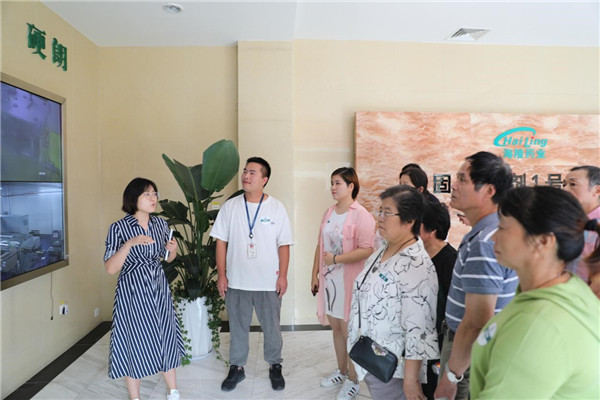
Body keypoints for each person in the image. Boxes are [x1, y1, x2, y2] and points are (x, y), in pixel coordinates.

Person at [470, 186, 600, 399]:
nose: (494, 237)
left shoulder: (538, 325)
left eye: (502, 228)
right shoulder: (567, 287)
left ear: (543, 241)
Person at [433, 151, 517, 400]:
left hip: (469, 353)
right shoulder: (494, 229)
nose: (454, 185)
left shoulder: (485, 242)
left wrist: (452, 375)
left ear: (489, 191)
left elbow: (477, 321)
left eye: (462, 179)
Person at [348, 185, 439, 400]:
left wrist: (411, 379)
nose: (380, 217)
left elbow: (419, 329)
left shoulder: (417, 265)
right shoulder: (385, 248)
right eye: (380, 211)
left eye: (387, 213)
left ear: (409, 221)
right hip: (371, 357)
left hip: (393, 369)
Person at [210, 157, 293, 392]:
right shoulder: (231, 207)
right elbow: (221, 242)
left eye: (252, 172)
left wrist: (283, 276)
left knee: (272, 328)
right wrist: (222, 275)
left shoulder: (276, 208)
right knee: (237, 328)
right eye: (245, 171)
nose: (246, 176)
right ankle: (237, 368)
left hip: (268, 282)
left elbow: (284, 245)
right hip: (237, 281)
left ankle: (275, 365)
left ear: (264, 179)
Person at [104, 177, 183, 400]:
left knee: (164, 333)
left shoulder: (160, 224)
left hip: (158, 287)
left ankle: (173, 390)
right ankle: (135, 397)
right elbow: (110, 268)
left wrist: (173, 249)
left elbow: (167, 258)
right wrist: (129, 244)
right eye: (147, 194)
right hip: (133, 290)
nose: (153, 198)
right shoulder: (118, 228)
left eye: (155, 193)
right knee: (134, 338)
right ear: (133, 198)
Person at [311, 167, 376, 400]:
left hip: (350, 282)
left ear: (351, 186)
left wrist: (337, 259)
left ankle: (353, 379)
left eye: (338, 183)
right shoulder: (329, 212)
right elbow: (320, 245)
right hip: (330, 282)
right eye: (332, 183)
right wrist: (314, 274)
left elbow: (367, 249)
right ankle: (341, 371)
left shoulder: (361, 215)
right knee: (337, 328)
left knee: (350, 332)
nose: (333, 187)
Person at [419, 201, 457, 400]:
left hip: (440, 339)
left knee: (434, 387)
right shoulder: (419, 255)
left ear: (432, 230)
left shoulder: (450, 260)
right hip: (419, 335)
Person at [564, 165, 600, 297]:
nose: (565, 189)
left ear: (597, 190)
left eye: (573, 184)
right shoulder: (569, 219)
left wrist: (580, 303)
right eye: (564, 184)